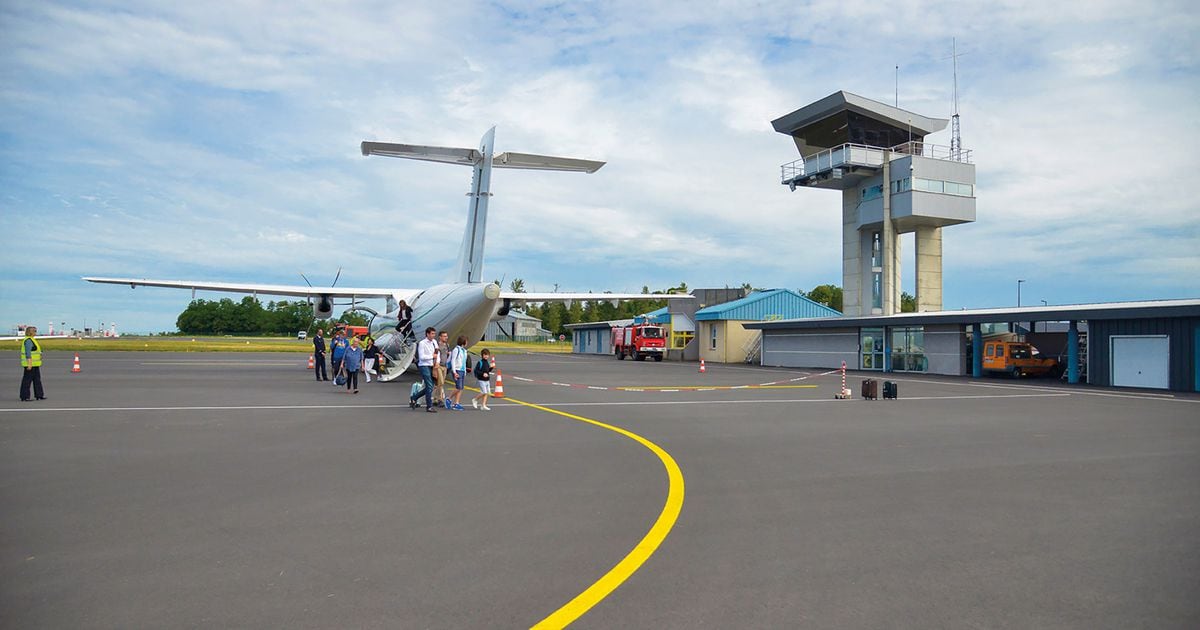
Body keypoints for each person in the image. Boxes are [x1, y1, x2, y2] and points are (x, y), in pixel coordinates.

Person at [409, 327, 439, 413]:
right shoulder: (422, 343)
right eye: (432, 334)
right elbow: (422, 357)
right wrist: (431, 357)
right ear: (427, 334)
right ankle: (429, 406)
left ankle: (414, 397)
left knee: (431, 387)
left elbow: (437, 353)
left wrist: (437, 362)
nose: (433, 335)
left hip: (432, 366)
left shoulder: (434, 342)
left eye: (434, 334)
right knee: (429, 386)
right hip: (424, 365)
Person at [19, 326, 46, 402]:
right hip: (30, 364)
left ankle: (39, 395)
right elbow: (28, 354)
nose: (35, 332)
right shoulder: (28, 341)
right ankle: (24, 396)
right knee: (27, 381)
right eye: (34, 331)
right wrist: (29, 364)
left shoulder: (32, 340)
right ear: (30, 332)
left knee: (37, 380)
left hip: (35, 364)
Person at [447, 335, 469, 410]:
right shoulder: (456, 349)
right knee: (458, 387)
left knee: (461, 388)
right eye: (466, 341)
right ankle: (449, 398)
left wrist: (465, 371)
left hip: (462, 370)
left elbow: (464, 362)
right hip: (457, 370)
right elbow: (453, 360)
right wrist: (454, 371)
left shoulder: (464, 351)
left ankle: (456, 403)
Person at [435, 330, 450, 409]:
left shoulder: (447, 345)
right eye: (444, 336)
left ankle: (435, 398)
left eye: (446, 336)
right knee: (440, 382)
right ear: (440, 337)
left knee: (440, 383)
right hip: (439, 366)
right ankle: (439, 399)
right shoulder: (437, 345)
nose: (446, 338)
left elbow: (447, 354)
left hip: (445, 365)